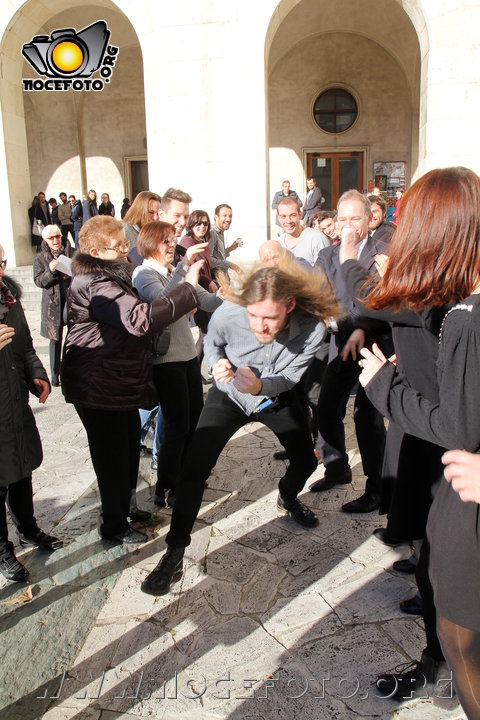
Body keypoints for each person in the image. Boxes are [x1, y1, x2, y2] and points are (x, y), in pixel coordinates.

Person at [357, 167, 480, 717]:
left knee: (461, 632)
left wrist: (383, 386)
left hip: (457, 476)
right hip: (445, 471)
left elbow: (458, 427)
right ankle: (438, 664)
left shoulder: (465, 318)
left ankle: (446, 668)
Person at [140, 256, 338, 596]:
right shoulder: (229, 312)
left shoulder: (312, 326)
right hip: (229, 394)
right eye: (254, 316)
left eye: (270, 319)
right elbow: (213, 346)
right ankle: (174, 554)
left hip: (274, 395)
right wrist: (216, 365)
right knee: (193, 467)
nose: (260, 327)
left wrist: (260, 387)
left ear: (290, 305)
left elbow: (289, 377)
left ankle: (287, 497)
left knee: (306, 461)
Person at [61, 215, 201, 544]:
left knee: (125, 452)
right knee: (112, 460)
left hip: (114, 384)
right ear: (95, 250)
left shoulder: (107, 276)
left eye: (126, 244)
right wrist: (188, 288)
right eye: (119, 246)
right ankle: (113, 526)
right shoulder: (96, 283)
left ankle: (126, 510)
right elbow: (140, 320)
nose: (126, 251)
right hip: (97, 387)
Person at [310, 189, 392, 514]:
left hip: (375, 346)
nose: (346, 225)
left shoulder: (382, 253)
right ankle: (337, 467)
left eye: (354, 218)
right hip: (341, 343)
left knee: (367, 416)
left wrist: (352, 319)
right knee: (327, 405)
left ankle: (377, 488)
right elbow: (315, 291)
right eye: (341, 218)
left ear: (368, 219)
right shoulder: (328, 256)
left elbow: (377, 303)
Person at [133, 221, 222, 508]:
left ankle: (186, 476)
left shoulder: (172, 271)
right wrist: (186, 269)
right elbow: (163, 304)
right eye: (165, 241)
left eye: (172, 240)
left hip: (186, 356)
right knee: (176, 425)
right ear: (149, 244)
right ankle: (166, 488)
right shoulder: (143, 274)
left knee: (193, 419)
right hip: (166, 360)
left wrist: (231, 299)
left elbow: (203, 301)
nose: (171, 245)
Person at [0, 243, 62, 582]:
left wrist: (36, 373)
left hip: (14, 407)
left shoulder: (8, 297)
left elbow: (23, 345)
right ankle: (3, 551)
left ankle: (28, 530)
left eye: (1, 263)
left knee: (22, 473)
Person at [33, 225, 74, 386]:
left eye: (57, 236)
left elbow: (83, 272)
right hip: (52, 305)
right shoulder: (40, 257)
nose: (56, 240)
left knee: (72, 338)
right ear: (45, 241)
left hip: (71, 300)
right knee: (55, 340)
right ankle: (55, 375)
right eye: (52, 238)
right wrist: (50, 271)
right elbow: (38, 281)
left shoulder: (73, 251)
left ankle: (69, 370)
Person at [180, 210, 218, 358]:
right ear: (191, 223)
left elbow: (209, 267)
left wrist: (214, 281)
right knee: (206, 332)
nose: (202, 226)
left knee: (207, 333)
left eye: (205, 223)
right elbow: (190, 268)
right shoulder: (187, 242)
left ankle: (200, 368)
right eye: (199, 222)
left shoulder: (203, 242)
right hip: (198, 291)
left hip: (208, 291)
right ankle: (198, 367)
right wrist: (208, 282)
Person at [277, 196, 329, 266]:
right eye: (283, 216)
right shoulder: (278, 244)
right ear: (279, 218)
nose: (288, 221)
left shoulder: (317, 239)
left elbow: (326, 273)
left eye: (293, 215)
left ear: (300, 215)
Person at [123, 190, 161, 262]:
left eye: (158, 213)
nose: (156, 218)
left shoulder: (155, 233)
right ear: (139, 210)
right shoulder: (124, 230)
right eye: (151, 213)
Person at [208, 204, 241, 274]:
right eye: (224, 215)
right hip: (215, 279)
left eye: (230, 216)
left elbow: (218, 256)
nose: (228, 219)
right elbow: (208, 259)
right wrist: (230, 264)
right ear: (216, 217)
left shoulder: (220, 233)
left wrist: (230, 248)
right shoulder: (212, 233)